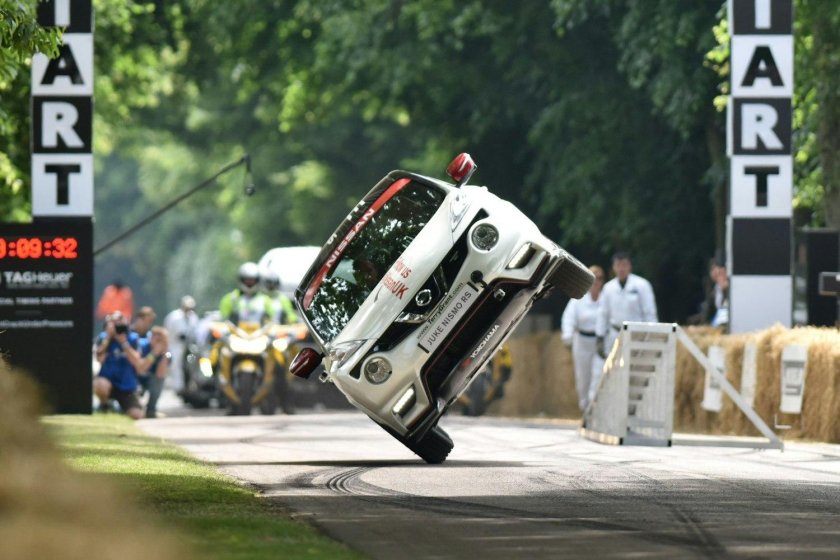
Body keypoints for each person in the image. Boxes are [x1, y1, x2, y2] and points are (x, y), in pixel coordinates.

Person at [596, 252, 658, 358]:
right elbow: (603, 313)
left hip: (637, 334)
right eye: (618, 265)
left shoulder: (642, 285)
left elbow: (649, 312)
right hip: (615, 334)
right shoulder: (608, 288)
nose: (621, 269)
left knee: (636, 369)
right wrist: (600, 336)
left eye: (624, 265)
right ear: (613, 267)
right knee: (615, 370)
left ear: (630, 266)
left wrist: (652, 335)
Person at [561, 265, 606, 411]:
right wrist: (567, 336)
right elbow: (568, 318)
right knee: (583, 377)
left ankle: (594, 408)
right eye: (593, 278)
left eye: (599, 278)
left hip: (600, 342)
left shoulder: (607, 298)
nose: (597, 282)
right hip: (582, 341)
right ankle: (584, 405)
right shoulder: (578, 300)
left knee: (599, 374)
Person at [93, 312, 144, 419]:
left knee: (136, 415)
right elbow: (99, 358)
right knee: (100, 384)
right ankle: (105, 404)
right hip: (109, 382)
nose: (118, 327)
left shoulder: (133, 338)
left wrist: (123, 342)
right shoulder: (104, 337)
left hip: (126, 385)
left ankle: (120, 409)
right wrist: (109, 337)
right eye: (115, 323)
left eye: (120, 323)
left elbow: (136, 361)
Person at [163, 295, 199, 394]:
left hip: (190, 347)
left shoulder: (193, 317)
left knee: (193, 363)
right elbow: (169, 331)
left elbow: (196, 331)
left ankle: (193, 384)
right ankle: (179, 387)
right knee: (176, 364)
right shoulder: (174, 317)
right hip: (175, 345)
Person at [136, 326, 171, 418]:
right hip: (136, 378)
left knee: (159, 380)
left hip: (151, 379)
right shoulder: (142, 345)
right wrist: (154, 353)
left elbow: (160, 374)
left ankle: (151, 410)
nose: (158, 342)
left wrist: (164, 352)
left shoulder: (167, 353)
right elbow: (141, 368)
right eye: (156, 338)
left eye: (161, 339)